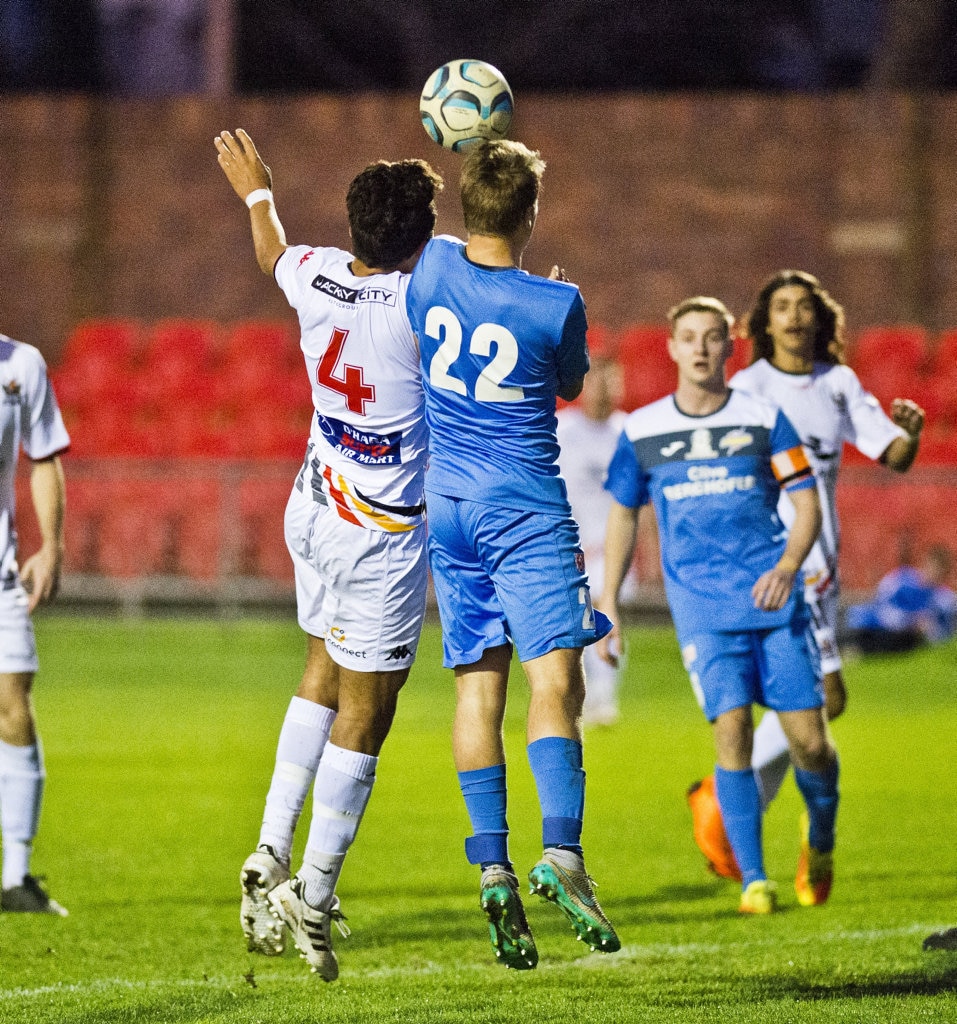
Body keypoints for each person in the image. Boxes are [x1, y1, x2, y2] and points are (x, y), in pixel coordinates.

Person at [214, 128, 443, 981]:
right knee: (369, 710)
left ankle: (271, 847)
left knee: (321, 665)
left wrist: (258, 190)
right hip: (379, 533)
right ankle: (311, 888)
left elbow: (271, 248)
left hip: (312, 504)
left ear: (352, 228)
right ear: (419, 237)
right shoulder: (425, 309)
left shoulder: (314, 272)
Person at [405, 139, 620, 970]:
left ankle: (491, 865)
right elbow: (570, 385)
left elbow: (443, 250)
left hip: (447, 508)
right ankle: (561, 855)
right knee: (555, 685)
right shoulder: (554, 302)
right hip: (523, 511)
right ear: (530, 213)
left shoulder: (431, 268)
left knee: (475, 690)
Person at [598, 296, 839, 915]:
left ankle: (821, 838)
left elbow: (807, 504)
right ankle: (754, 878)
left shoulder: (764, 418)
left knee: (809, 742)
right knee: (730, 733)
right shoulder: (643, 430)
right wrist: (609, 600)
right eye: (689, 338)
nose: (701, 348)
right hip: (704, 611)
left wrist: (787, 567)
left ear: (729, 347)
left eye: (712, 338)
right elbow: (624, 513)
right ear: (672, 348)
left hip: (775, 601)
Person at [685, 270, 925, 883]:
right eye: (782, 307)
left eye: (804, 307)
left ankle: (728, 802)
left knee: (816, 705)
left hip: (825, 563)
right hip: (780, 563)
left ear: (820, 319)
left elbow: (891, 454)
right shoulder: (749, 389)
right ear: (764, 324)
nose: (794, 317)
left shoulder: (837, 383)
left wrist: (912, 433)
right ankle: (734, 806)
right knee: (820, 703)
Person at [0, 331, 70, 915]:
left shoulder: (22, 364)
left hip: (1, 576)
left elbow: (43, 456)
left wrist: (51, 545)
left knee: (12, 705)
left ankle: (15, 876)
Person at [556, 354, 631, 726]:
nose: (604, 390)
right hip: (570, 546)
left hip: (612, 547)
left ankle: (604, 695)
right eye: (597, 381)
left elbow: (640, 499)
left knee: (604, 611)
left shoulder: (628, 432)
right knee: (575, 622)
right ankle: (583, 694)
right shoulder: (562, 430)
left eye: (611, 381)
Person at [846, 544, 955, 653]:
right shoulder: (902, 578)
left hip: (907, 637)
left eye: (940, 572)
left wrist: (928, 628)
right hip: (876, 627)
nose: (934, 574)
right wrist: (909, 621)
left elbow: (944, 632)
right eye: (933, 567)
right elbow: (880, 603)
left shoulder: (942, 597)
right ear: (925, 563)